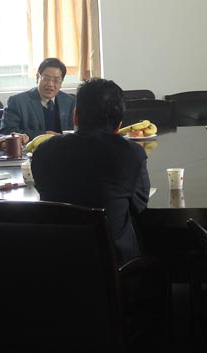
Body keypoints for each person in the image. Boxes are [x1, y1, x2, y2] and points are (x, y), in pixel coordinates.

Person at [31, 78, 150, 263]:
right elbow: (139, 205)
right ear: (119, 125)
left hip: (54, 261)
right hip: (114, 266)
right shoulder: (132, 153)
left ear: (75, 116)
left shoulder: (43, 150)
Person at [0, 58, 75, 139]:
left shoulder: (69, 101)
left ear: (61, 82)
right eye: (46, 78)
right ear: (37, 77)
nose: (50, 84)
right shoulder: (17, 101)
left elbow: (74, 130)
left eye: (56, 80)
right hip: (31, 146)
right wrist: (43, 135)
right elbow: (7, 132)